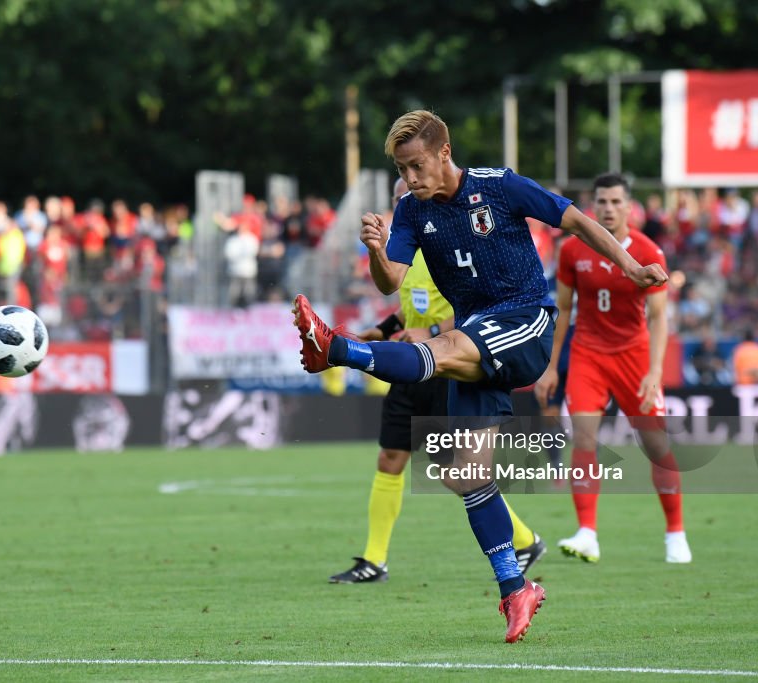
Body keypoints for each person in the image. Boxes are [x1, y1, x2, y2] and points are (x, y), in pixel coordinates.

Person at [292, 110, 668, 643]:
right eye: (402, 170)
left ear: (443, 152)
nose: (410, 178)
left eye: (416, 166)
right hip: (478, 334)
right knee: (465, 473)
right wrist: (377, 251)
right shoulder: (409, 210)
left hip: (525, 321)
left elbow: (578, 222)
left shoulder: (500, 186)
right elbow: (388, 283)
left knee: (436, 348)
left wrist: (630, 268)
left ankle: (338, 350)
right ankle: (516, 588)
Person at [331, 177, 547, 585]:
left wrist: (431, 335)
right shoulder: (405, 252)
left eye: (408, 198)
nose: (405, 205)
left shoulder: (445, 244)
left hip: (442, 365)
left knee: (457, 471)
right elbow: (408, 311)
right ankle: (374, 560)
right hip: (409, 366)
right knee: (390, 458)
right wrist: (377, 332)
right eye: (399, 200)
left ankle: (524, 539)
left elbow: (473, 308)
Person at [534, 172, 692, 565]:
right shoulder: (572, 251)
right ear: (593, 204)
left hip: (634, 357)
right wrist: (552, 366)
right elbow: (565, 311)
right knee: (584, 439)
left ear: (629, 207)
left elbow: (658, 318)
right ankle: (587, 532)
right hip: (588, 354)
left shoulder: (649, 251)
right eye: (601, 201)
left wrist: (655, 371)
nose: (607, 208)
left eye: (615, 202)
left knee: (656, 446)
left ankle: (675, 533)